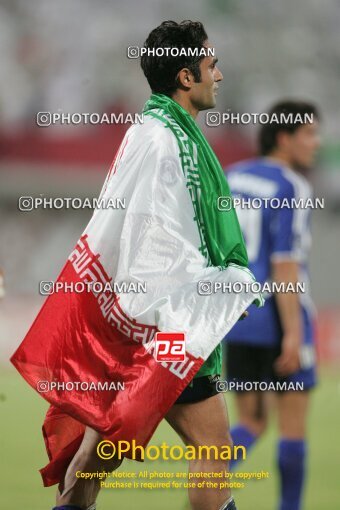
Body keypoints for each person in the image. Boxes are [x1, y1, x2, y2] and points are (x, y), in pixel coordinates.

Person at [11, 20, 263, 510]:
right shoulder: (169, 142)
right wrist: (215, 291)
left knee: (101, 452)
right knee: (212, 449)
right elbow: (162, 244)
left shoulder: (150, 130)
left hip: (137, 323)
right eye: (212, 65)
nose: (220, 76)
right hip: (166, 328)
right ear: (186, 77)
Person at [224, 100, 320, 510]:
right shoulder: (292, 186)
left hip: (236, 317)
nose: (316, 143)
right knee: (292, 426)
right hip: (280, 319)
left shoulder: (231, 177)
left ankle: (204, 493)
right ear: (284, 138)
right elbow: (284, 265)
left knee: (249, 421)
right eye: (309, 134)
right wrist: (294, 334)